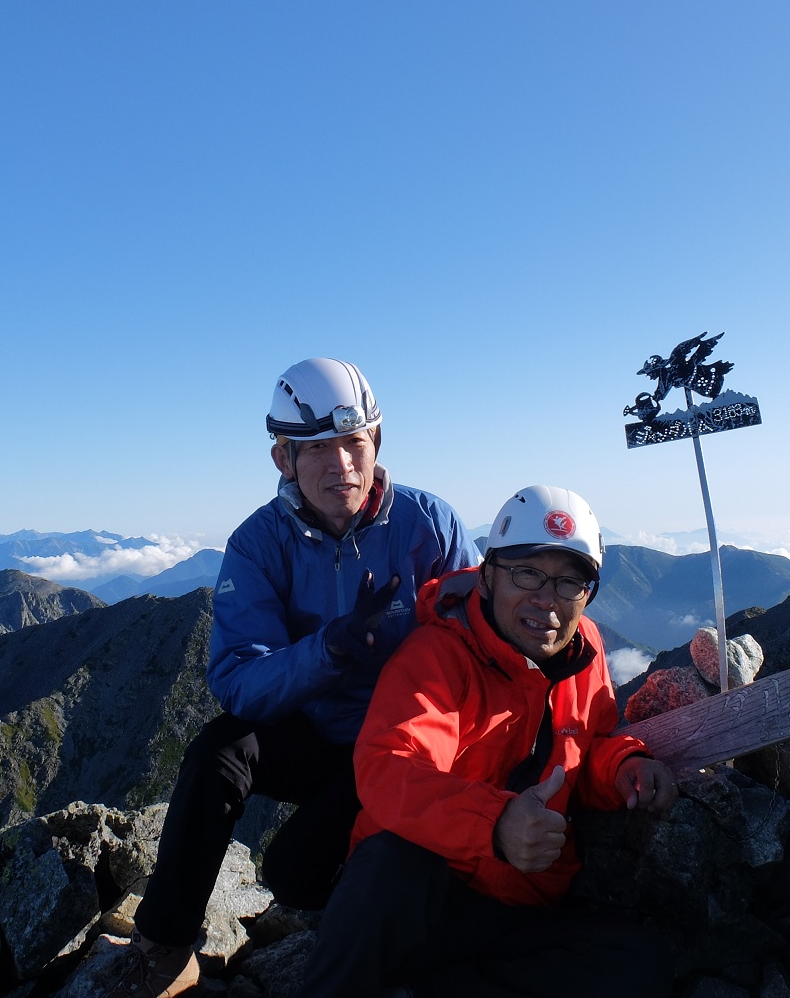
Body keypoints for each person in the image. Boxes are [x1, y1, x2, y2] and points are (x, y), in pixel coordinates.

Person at [109, 357, 478, 998]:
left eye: (354, 442)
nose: (343, 465)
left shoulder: (428, 526)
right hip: (318, 735)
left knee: (293, 876)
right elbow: (238, 680)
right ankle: (165, 945)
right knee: (219, 752)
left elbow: (479, 641)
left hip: (403, 748)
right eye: (318, 449)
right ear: (284, 459)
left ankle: (397, 905)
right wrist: (328, 650)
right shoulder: (259, 543)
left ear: (377, 442)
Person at [297, 485, 678, 998]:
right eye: (527, 573)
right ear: (488, 575)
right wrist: (495, 824)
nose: (547, 599)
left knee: (639, 963)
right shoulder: (439, 655)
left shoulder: (583, 651)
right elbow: (391, 767)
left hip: (520, 905)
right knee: (390, 861)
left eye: (570, 582)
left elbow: (588, 745)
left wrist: (623, 768)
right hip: (426, 895)